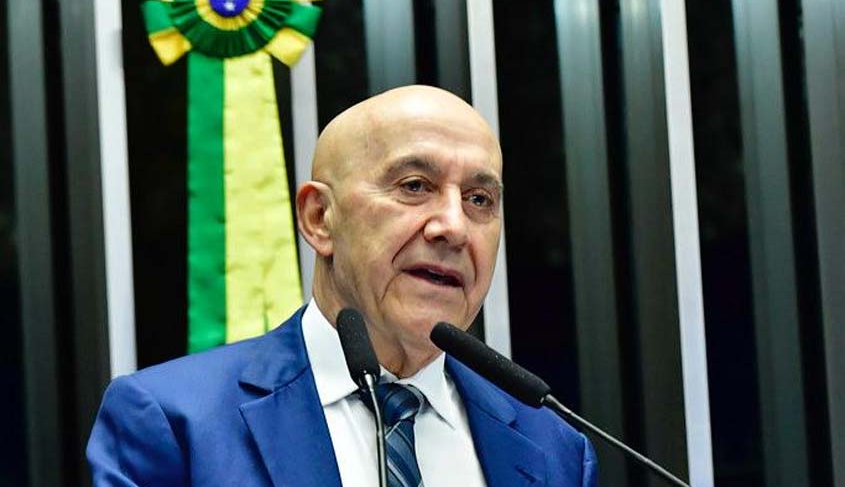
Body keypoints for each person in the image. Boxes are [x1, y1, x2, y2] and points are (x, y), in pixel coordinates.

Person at [87, 85, 597, 486]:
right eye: (414, 186)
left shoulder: (556, 449)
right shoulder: (176, 423)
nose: (454, 226)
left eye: (479, 199)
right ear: (319, 218)